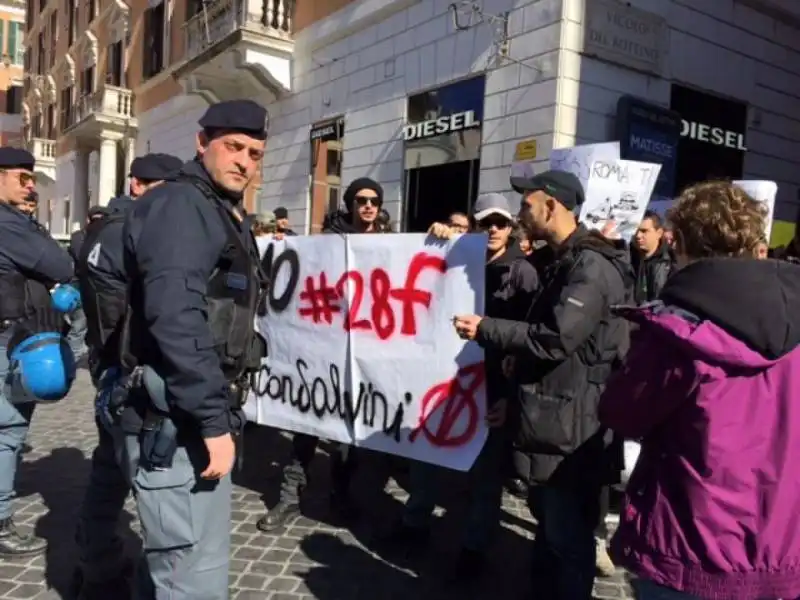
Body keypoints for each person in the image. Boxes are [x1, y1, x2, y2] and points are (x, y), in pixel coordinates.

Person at [90, 102, 267, 598]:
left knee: (171, 571)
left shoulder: (212, 207)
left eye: (255, 153)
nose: (245, 163)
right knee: (193, 580)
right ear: (201, 143)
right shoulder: (184, 206)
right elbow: (175, 316)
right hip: (177, 420)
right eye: (233, 147)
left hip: (184, 411)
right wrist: (213, 421)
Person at [599, 181, 800, 600]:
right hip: (781, 551)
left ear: (682, 243)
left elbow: (620, 412)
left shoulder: (677, 331)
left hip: (690, 550)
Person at [453, 169, 632, 600]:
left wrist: (486, 329)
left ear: (551, 206)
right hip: (553, 417)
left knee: (568, 538)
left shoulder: (589, 267)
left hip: (573, 429)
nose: (519, 213)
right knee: (552, 530)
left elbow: (554, 338)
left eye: (526, 204)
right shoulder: (562, 261)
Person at [381, 193, 539, 581]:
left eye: (502, 222)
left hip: (491, 385)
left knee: (486, 477)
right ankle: (415, 520)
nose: (495, 230)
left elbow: (532, 338)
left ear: (511, 226)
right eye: (487, 223)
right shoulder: (455, 254)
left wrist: (510, 392)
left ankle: (474, 547)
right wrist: (438, 237)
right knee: (426, 456)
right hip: (442, 381)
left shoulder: (522, 272)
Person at [71, 151, 184, 600]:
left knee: (107, 475)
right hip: (129, 375)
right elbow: (133, 317)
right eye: (160, 188)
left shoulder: (100, 232)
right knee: (151, 488)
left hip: (108, 370)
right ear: (136, 185)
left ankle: (95, 567)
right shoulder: (130, 233)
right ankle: (135, 582)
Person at [257, 177, 388, 532]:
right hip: (321, 350)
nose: (368, 205)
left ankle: (340, 495)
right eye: (361, 199)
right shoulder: (327, 239)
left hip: (363, 354)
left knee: (347, 437)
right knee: (305, 427)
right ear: (349, 203)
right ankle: (289, 497)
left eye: (374, 200)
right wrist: (281, 247)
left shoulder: (391, 243)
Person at [0, 147, 74, 557]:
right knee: (7, 433)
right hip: (6, 342)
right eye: (22, 178)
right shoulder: (7, 224)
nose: (31, 186)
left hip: (12, 334)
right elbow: (60, 266)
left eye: (33, 179)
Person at [631, 210, 675, 304]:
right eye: (636, 230)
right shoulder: (628, 258)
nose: (638, 235)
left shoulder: (671, 263)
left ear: (659, 233)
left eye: (644, 231)